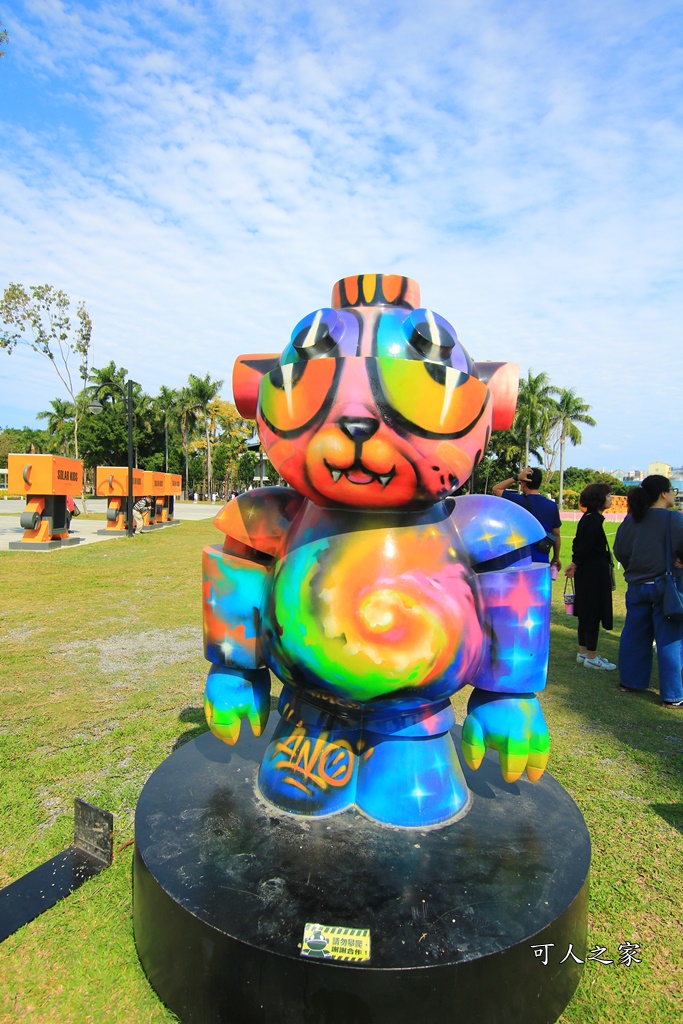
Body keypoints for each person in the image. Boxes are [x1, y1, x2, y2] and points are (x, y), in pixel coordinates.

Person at [613, 474, 683, 707]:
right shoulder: (672, 518)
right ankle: (672, 694)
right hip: (666, 587)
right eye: (672, 490)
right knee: (669, 639)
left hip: (636, 585)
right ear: (663, 493)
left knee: (634, 634)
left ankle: (630, 681)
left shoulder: (631, 519)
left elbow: (620, 550)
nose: (674, 494)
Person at [564, 483, 615, 670]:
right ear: (598, 499)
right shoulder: (592, 521)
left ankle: (584, 651)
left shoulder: (590, 518)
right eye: (608, 495)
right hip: (593, 574)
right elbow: (582, 547)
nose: (611, 498)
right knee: (592, 612)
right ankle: (591, 656)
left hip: (589, 572)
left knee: (585, 611)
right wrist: (575, 563)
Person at [493, 467, 562, 570]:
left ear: (524, 483)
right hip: (541, 558)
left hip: (519, 558)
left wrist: (516, 477)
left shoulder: (517, 500)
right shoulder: (551, 505)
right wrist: (556, 557)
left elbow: (496, 488)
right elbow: (556, 534)